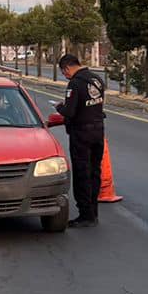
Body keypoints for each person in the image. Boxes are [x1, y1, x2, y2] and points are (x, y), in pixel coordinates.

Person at [50, 53, 106, 228]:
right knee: (94, 172)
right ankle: (93, 211)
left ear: (67, 67)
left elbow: (70, 112)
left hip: (81, 134)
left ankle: (85, 215)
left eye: (63, 72)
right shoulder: (96, 79)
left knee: (82, 173)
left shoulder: (75, 83)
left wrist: (59, 106)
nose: (65, 75)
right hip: (98, 130)